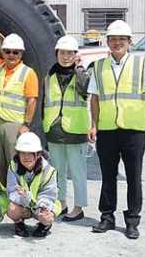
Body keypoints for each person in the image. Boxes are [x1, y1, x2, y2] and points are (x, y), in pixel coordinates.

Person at [88, 20, 145, 239]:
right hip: (107, 130)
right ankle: (107, 218)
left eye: (122, 39)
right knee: (108, 177)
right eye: (113, 39)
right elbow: (95, 98)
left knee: (133, 178)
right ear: (107, 42)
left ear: (129, 42)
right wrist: (94, 124)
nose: (117, 43)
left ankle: (132, 221)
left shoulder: (142, 65)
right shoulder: (99, 66)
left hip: (133, 131)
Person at [0, 17, 39, 184]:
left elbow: (32, 100)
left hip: (13, 124)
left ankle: (17, 191)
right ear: (3, 52)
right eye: (7, 51)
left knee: (13, 158)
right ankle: (1, 190)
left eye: (15, 52)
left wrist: (26, 124)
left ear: (21, 54)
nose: (11, 55)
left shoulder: (28, 73)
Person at [43, 35, 89, 222]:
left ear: (76, 55)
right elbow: (44, 102)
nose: (66, 56)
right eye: (62, 52)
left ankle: (78, 207)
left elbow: (85, 90)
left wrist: (79, 68)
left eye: (70, 53)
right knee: (57, 171)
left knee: (78, 171)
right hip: (54, 129)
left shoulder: (82, 73)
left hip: (75, 130)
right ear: (57, 54)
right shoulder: (50, 74)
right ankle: (60, 203)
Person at [6, 132, 60, 238]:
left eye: (30, 153)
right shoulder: (13, 166)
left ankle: (44, 225)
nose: (26, 157)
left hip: (41, 206)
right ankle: (19, 223)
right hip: (23, 205)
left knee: (47, 217)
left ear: (38, 154)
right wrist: (25, 198)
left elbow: (49, 195)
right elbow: (11, 191)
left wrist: (41, 208)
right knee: (12, 210)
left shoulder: (49, 171)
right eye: (22, 153)